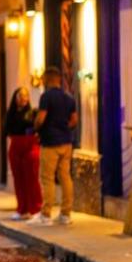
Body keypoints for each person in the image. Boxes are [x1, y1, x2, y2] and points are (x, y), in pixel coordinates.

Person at [28, 66, 78, 227]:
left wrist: (36, 127)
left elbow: (41, 118)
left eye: (43, 79)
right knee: (65, 177)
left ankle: (46, 214)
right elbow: (74, 120)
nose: (41, 81)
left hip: (50, 142)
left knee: (47, 178)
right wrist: (63, 128)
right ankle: (65, 213)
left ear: (48, 80)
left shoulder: (46, 97)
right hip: (66, 142)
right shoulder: (69, 98)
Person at [4, 87, 42, 220]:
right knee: (18, 179)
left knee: (31, 178)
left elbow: (37, 128)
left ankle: (36, 209)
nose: (23, 98)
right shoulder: (11, 113)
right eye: (20, 96)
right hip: (15, 146)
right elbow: (6, 130)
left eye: (26, 96)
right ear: (15, 98)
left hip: (30, 146)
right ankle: (22, 209)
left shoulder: (32, 113)